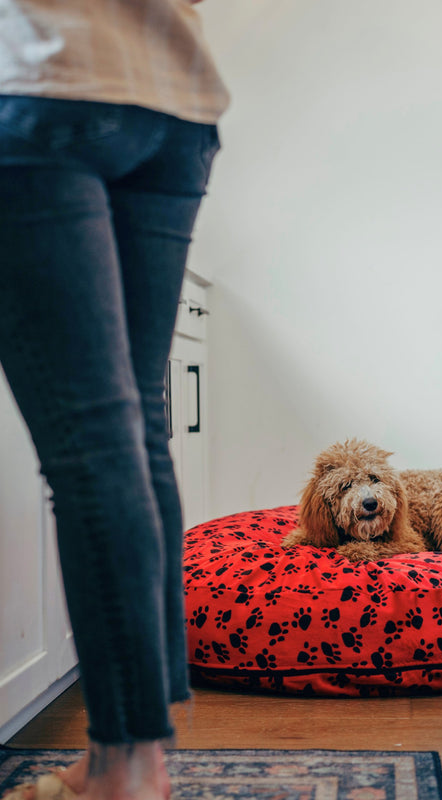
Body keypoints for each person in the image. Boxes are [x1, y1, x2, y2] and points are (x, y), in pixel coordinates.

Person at [0, 1, 228, 798]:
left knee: (96, 442)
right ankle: (141, 761)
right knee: (135, 427)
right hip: (175, 100)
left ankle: (122, 769)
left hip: (43, 85)